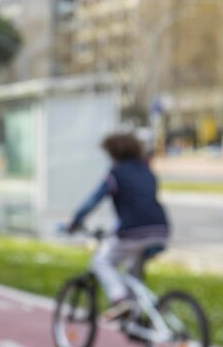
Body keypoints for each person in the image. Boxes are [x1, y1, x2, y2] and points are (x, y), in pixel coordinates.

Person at [68, 133, 170, 320]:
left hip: (134, 231)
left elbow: (93, 200)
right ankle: (136, 318)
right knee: (133, 273)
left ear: (114, 153)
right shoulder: (148, 172)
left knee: (101, 261)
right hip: (161, 229)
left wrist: (75, 221)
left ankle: (120, 299)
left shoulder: (116, 175)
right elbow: (141, 203)